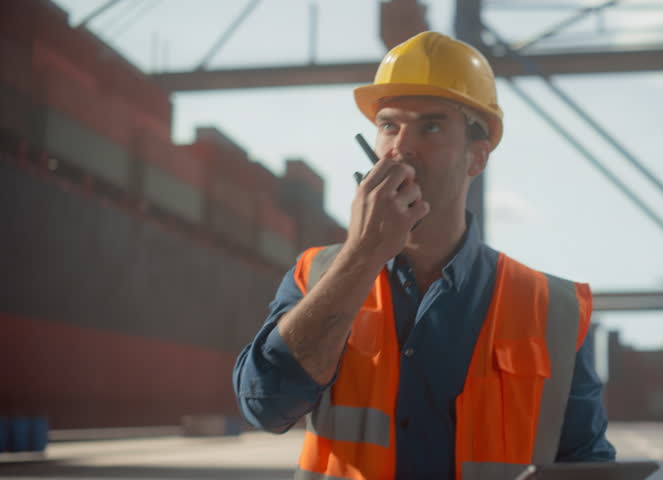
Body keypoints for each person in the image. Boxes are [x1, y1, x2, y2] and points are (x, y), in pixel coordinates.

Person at [233, 31, 616, 480]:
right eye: (389, 125)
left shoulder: (552, 309)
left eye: (430, 126)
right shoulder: (315, 273)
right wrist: (362, 255)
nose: (401, 147)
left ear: (478, 157)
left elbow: (587, 464)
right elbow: (265, 406)